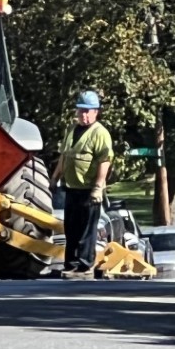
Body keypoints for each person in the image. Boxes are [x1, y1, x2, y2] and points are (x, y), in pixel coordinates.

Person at [51, 90, 114, 279]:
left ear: (96, 112)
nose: (84, 115)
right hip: (71, 189)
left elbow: (105, 160)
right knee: (71, 229)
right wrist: (54, 177)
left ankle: (85, 266)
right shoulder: (72, 131)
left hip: (89, 191)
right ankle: (70, 265)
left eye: (88, 111)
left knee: (87, 230)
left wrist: (98, 186)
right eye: (81, 111)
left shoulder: (100, 133)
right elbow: (65, 156)